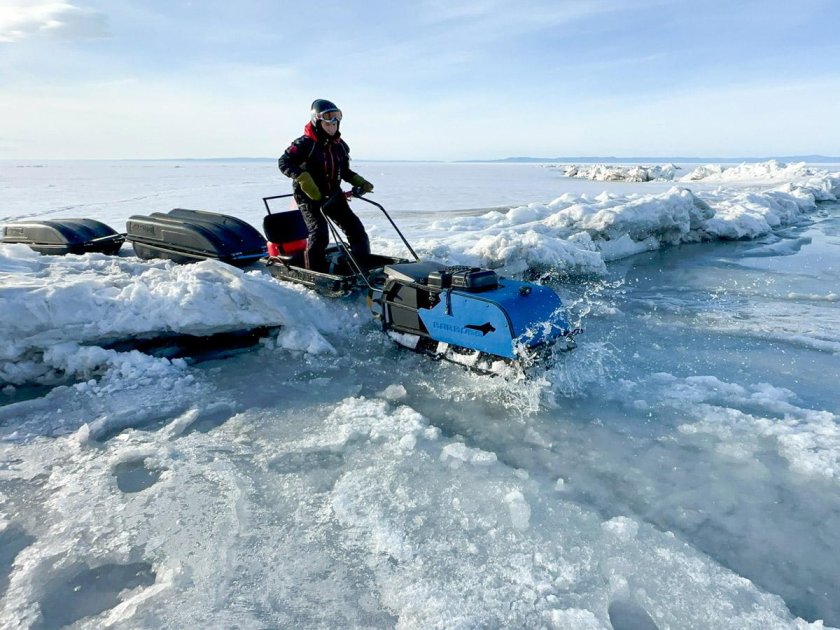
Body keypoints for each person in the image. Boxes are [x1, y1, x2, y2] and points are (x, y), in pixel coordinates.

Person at [278, 99, 375, 271]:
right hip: (309, 197)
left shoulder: (340, 146)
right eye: (328, 123)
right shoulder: (304, 144)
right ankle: (316, 273)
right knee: (320, 235)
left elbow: (344, 171)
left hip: (333, 195)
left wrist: (360, 182)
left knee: (356, 230)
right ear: (317, 122)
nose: (332, 127)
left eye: (335, 123)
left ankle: (362, 266)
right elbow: (284, 162)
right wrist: (303, 178)